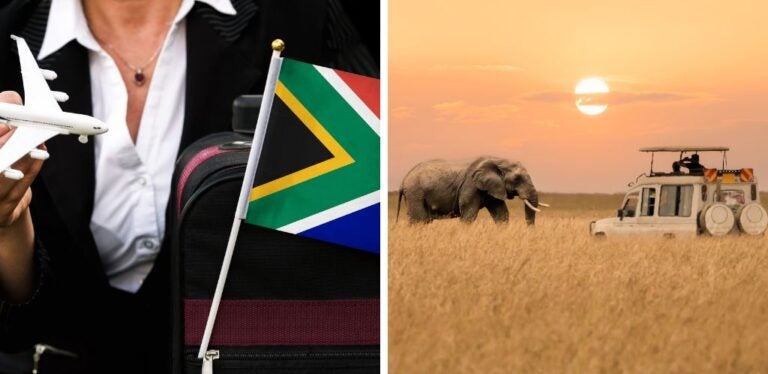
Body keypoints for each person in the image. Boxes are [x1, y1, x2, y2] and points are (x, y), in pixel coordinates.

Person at [0, 0, 377, 372]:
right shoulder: (10, 34)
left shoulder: (303, 18)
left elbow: (376, 193)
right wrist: (8, 228)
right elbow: (19, 326)